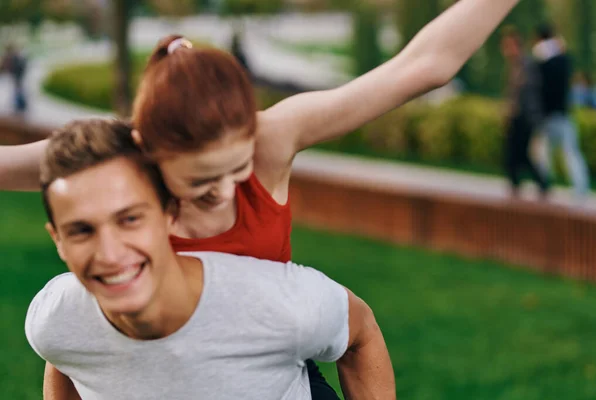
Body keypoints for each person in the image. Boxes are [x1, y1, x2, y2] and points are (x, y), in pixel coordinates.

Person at [0, 1, 523, 397]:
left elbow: (424, 67)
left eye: (238, 168)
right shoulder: (125, 155)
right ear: (151, 155)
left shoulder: (273, 137)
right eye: (202, 183)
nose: (226, 191)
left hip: (273, 361)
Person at [25, 118, 395, 400]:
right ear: (57, 239)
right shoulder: (55, 316)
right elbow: (64, 348)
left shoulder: (274, 303)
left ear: (169, 214)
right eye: (81, 231)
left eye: (130, 219)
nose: (109, 254)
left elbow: (360, 333)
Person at [532, 23, 590, 201]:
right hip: (562, 113)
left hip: (548, 114)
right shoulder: (563, 58)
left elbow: (540, 88)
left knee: (543, 152)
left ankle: (545, 185)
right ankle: (578, 189)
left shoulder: (543, 59)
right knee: (568, 152)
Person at [500, 26, 549, 198]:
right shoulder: (515, 65)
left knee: (519, 153)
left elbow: (528, 91)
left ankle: (540, 183)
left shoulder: (526, 64)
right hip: (518, 116)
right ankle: (518, 185)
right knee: (514, 153)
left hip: (525, 117)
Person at [0, 44, 28, 114]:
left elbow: (9, 66)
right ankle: (19, 105)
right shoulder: (15, 57)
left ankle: (20, 105)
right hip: (17, 76)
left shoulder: (16, 57)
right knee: (17, 90)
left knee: (18, 90)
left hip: (18, 76)